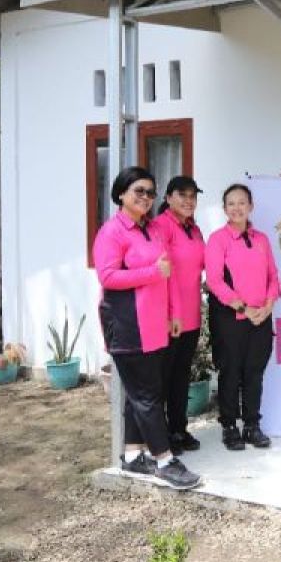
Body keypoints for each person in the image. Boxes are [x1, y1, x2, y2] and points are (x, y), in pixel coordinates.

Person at [93, 166, 201, 490]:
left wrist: (173, 313)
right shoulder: (111, 232)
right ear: (121, 193)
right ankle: (164, 460)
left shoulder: (152, 230)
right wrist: (152, 272)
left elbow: (167, 277)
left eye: (150, 192)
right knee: (147, 395)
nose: (145, 197)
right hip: (127, 325)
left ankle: (130, 455)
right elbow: (108, 277)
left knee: (140, 394)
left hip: (155, 325)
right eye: (138, 191)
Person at [205, 183, 280, 451]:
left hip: (261, 317)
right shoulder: (217, 239)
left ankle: (251, 425)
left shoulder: (261, 239)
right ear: (225, 209)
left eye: (242, 202)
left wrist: (269, 306)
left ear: (251, 206)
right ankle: (229, 426)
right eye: (231, 203)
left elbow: (273, 276)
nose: (237, 208)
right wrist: (243, 308)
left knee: (254, 372)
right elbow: (214, 280)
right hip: (231, 318)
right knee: (231, 372)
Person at [153, 175, 206, 455]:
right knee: (163, 378)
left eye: (193, 196)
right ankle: (160, 436)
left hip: (191, 316)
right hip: (168, 317)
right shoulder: (160, 227)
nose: (188, 200)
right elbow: (163, 274)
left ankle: (178, 429)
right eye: (182, 195)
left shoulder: (193, 229)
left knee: (181, 377)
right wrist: (169, 314)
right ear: (168, 198)